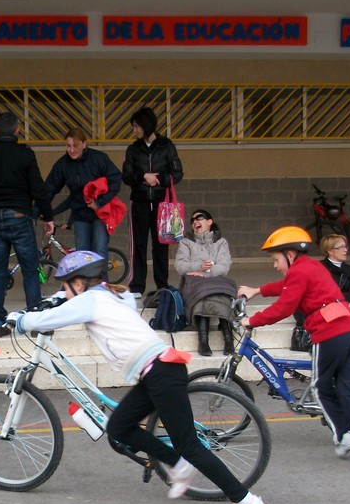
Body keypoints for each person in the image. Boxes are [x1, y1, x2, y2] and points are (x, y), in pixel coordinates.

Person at [9, 251, 266, 504]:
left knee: (189, 445)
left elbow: (51, 319)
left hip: (161, 373)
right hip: (155, 373)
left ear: (79, 284)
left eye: (65, 285)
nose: (63, 291)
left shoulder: (92, 300)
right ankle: (177, 464)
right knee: (118, 428)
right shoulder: (111, 295)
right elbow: (67, 303)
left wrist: (19, 321)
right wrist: (58, 298)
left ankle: (244, 501)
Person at [238, 226, 350, 471]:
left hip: (330, 333)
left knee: (320, 387)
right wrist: (258, 290)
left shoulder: (299, 272)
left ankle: (344, 435)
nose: (275, 265)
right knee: (348, 391)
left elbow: (284, 307)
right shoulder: (312, 267)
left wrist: (251, 320)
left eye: (276, 260)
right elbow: (285, 286)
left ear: (289, 254)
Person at [0, 111, 55, 338]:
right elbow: (38, 188)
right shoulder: (25, 154)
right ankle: (34, 320)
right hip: (20, 218)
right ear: (18, 131)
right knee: (31, 269)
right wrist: (48, 216)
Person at [121, 106, 184, 298]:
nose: (134, 130)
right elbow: (127, 175)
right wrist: (143, 177)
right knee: (138, 244)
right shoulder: (133, 149)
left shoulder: (166, 146)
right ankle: (137, 287)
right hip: (139, 201)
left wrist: (159, 179)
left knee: (161, 245)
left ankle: (162, 285)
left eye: (136, 126)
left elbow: (177, 173)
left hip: (161, 203)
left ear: (146, 126)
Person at [45, 127, 123, 258]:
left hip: (99, 214)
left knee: (99, 251)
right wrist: (39, 211)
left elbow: (115, 180)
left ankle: (100, 279)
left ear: (84, 144)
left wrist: (100, 202)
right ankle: (85, 279)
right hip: (80, 215)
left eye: (75, 146)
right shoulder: (63, 164)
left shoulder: (99, 158)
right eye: (68, 146)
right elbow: (49, 188)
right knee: (82, 255)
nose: (71, 150)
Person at [175, 208, 236, 356]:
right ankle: (205, 341)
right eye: (192, 220)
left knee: (219, 292)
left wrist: (206, 272)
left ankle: (227, 339)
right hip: (194, 283)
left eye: (199, 218)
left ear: (210, 222)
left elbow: (224, 266)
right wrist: (198, 267)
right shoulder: (186, 242)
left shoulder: (221, 242)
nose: (195, 221)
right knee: (203, 293)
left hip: (215, 280)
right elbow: (180, 266)